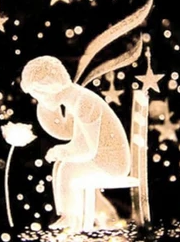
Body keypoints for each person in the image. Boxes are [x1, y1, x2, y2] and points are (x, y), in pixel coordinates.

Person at [21, 55, 130, 232]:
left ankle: (72, 219)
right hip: (101, 156)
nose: (39, 100)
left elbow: (86, 148)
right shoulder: (75, 99)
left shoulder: (83, 102)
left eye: (39, 94)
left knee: (68, 169)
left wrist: (60, 151)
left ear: (48, 87)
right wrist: (49, 114)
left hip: (112, 161)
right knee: (61, 166)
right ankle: (69, 216)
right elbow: (69, 132)